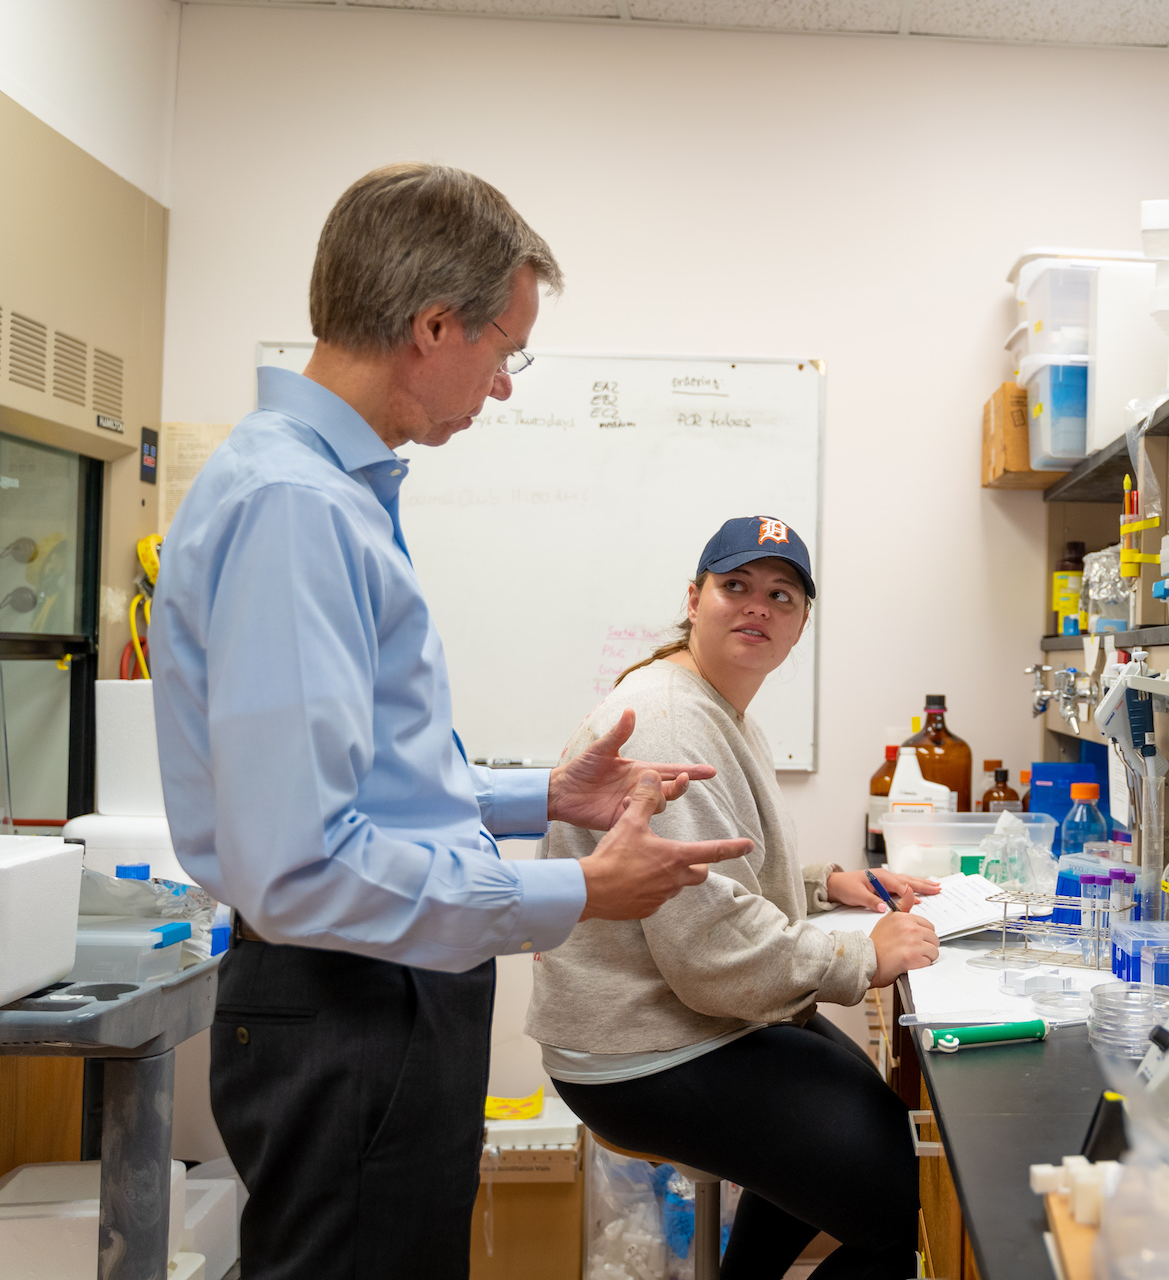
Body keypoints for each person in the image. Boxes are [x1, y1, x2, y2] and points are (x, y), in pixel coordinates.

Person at [150, 163, 753, 1280]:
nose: (507, 386)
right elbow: (300, 865)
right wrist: (577, 889)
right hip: (351, 1001)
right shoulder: (298, 507)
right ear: (434, 326)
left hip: (370, 999)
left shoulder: (324, 489)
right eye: (506, 350)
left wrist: (543, 797)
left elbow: (358, 781)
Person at [528, 516, 941, 1280]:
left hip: (691, 1018)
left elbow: (719, 872)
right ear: (695, 599)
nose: (758, 606)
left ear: (800, 624)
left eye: (780, 595)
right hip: (646, 1046)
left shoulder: (715, 706)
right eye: (736, 587)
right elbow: (712, 952)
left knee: (865, 1124)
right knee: (918, 1211)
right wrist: (860, 954)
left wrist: (825, 883)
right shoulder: (672, 718)